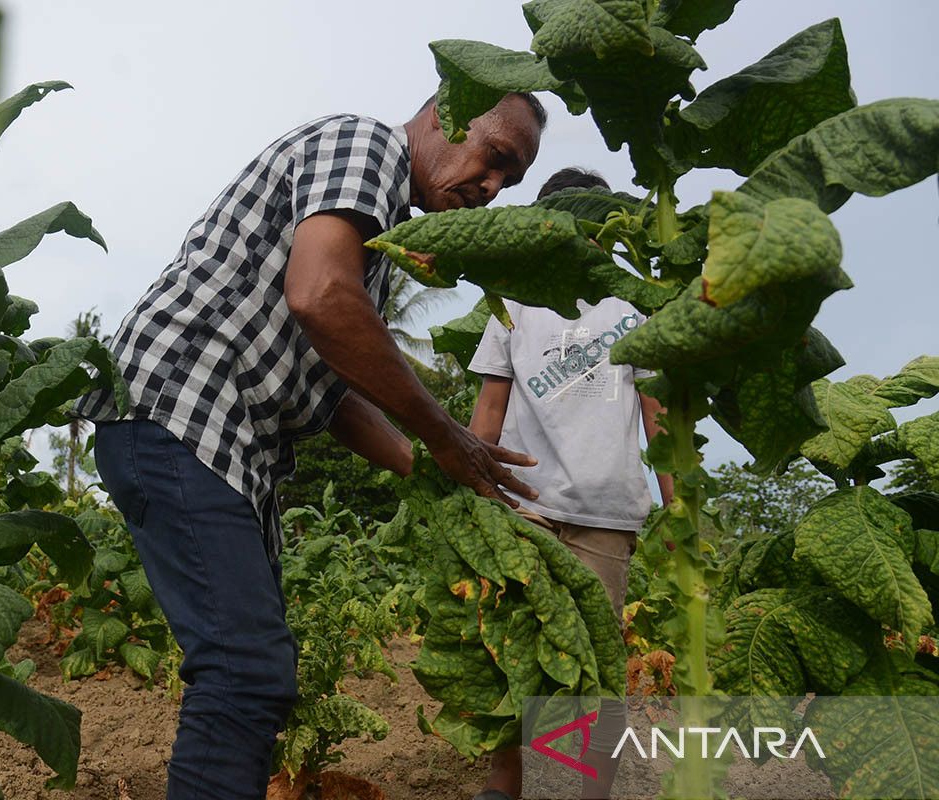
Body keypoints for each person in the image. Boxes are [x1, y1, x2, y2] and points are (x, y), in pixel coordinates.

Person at [73, 93, 548, 799]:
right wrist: (447, 434)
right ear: (447, 113)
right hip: (179, 408)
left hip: (215, 438)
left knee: (251, 675)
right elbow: (321, 297)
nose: (492, 187)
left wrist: (436, 472)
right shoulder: (366, 146)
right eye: (496, 158)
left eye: (510, 181)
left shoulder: (377, 244)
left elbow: (336, 389)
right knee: (245, 673)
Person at [468, 168, 673, 800]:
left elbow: (657, 412)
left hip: (605, 512)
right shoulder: (514, 304)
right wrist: (478, 500)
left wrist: (678, 510)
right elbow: (488, 412)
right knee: (510, 648)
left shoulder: (633, 301)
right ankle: (505, 785)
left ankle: (592, 791)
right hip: (523, 510)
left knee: (598, 661)